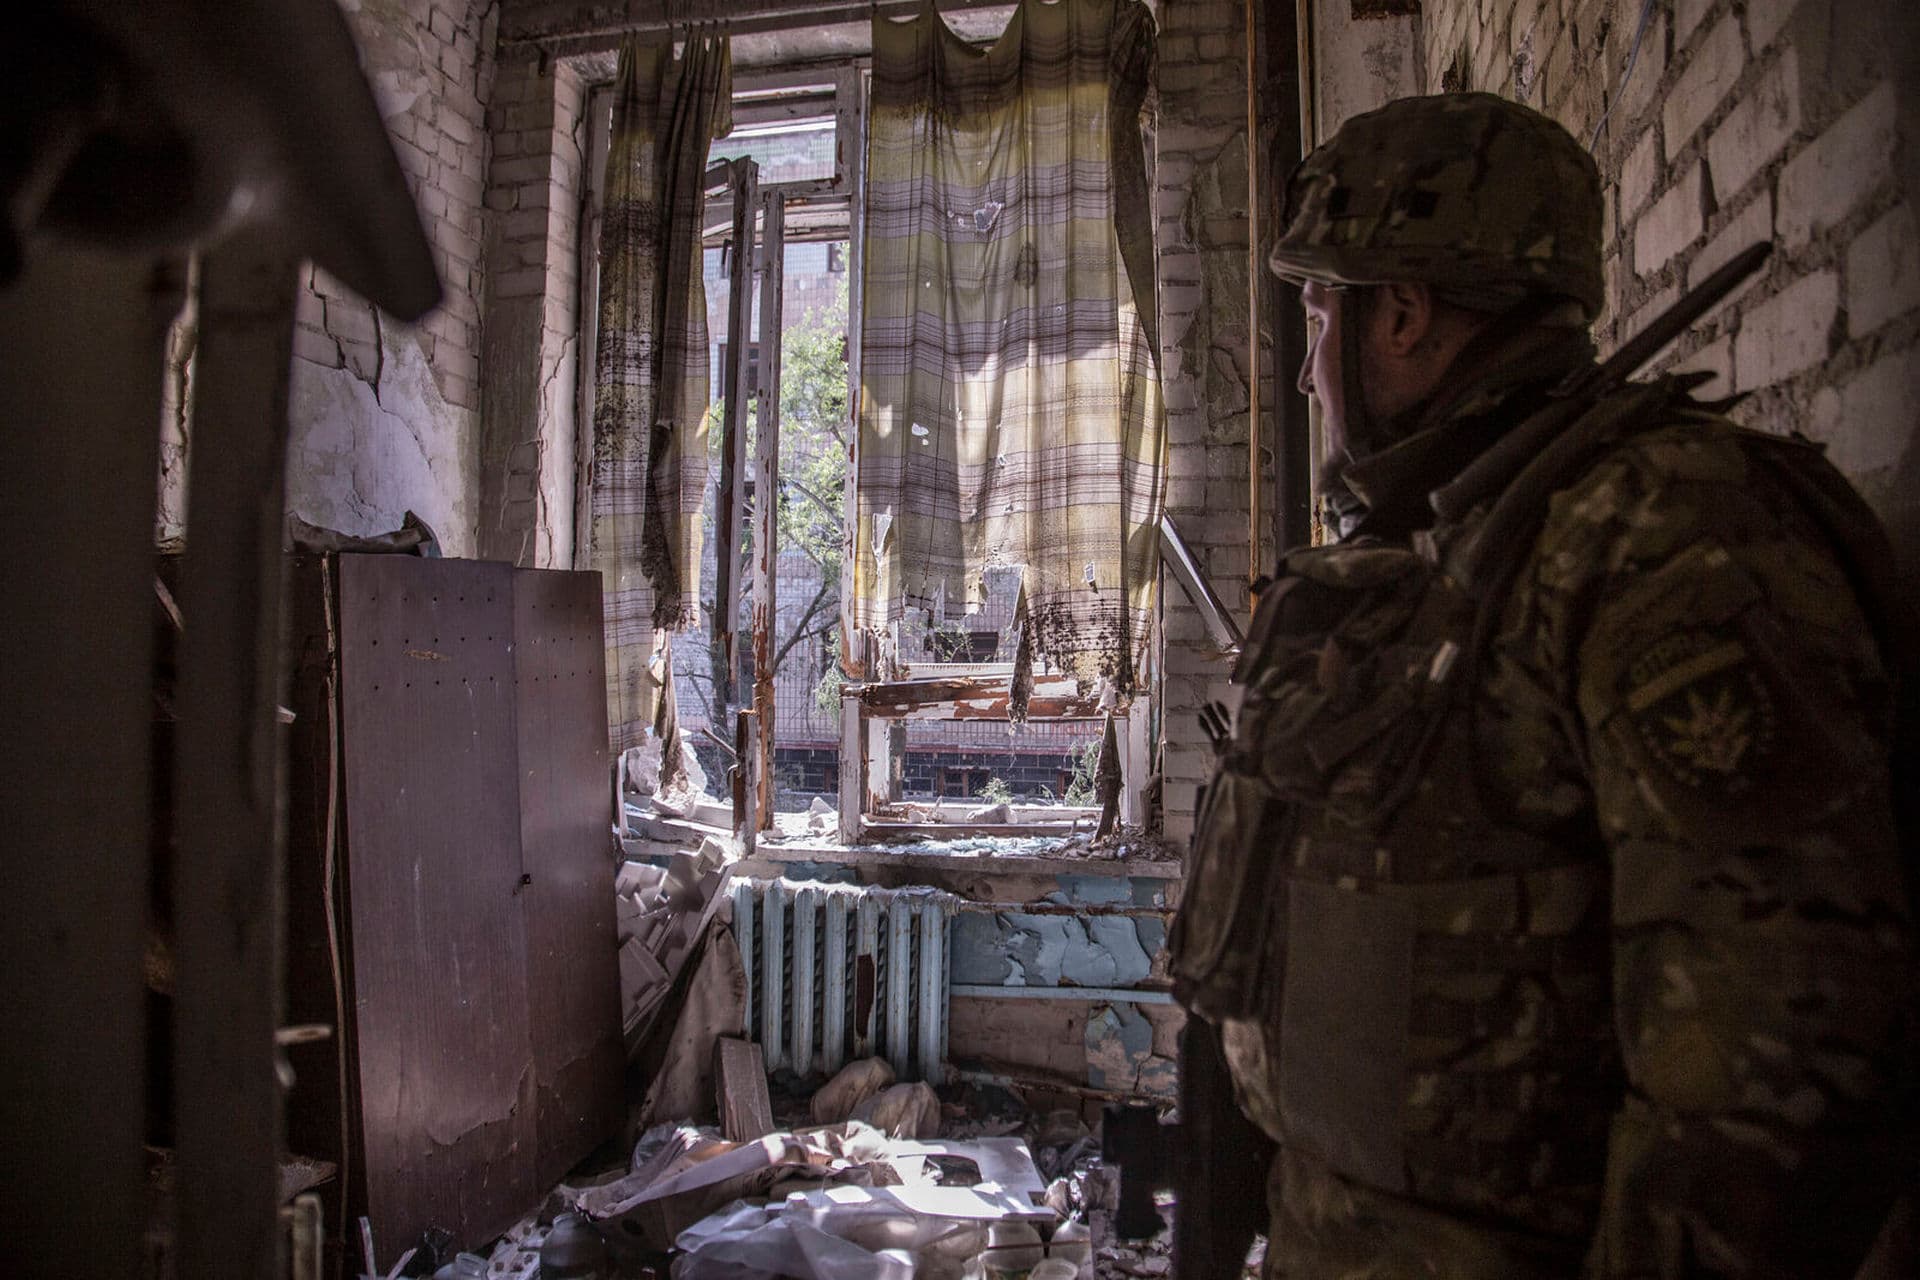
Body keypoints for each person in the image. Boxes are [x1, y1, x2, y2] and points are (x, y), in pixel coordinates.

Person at [1168, 91, 1916, 1279]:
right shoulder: (1454, 542)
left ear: (1402, 315)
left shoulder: (1659, 535)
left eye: (1320, 318)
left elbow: (1772, 1083)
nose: (1310, 375)